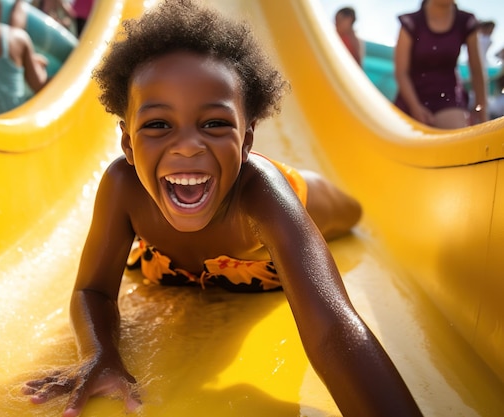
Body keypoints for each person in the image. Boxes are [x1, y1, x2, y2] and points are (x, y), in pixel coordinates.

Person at [22, 1, 423, 416]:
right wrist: (99, 352)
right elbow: (92, 290)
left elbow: (333, 331)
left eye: (214, 123)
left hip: (277, 223)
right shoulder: (123, 187)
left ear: (247, 140)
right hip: (181, 265)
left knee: (347, 210)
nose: (187, 145)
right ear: (127, 144)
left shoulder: (262, 197)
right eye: (158, 124)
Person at [393, 0, 487, 128]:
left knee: (456, 134)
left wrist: (481, 109)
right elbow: (401, 72)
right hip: (412, 94)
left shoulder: (465, 21)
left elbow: (476, 69)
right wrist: (415, 107)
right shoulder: (411, 22)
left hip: (448, 96)